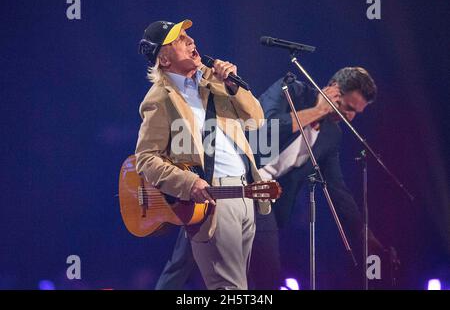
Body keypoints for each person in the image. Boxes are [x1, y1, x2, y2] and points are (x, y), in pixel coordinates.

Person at [134, 19, 270, 290]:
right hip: (213, 199)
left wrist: (232, 85)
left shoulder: (214, 81)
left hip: (244, 192)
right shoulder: (160, 98)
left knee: (238, 286)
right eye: (178, 39)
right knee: (229, 289)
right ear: (163, 59)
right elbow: (146, 158)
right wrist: (188, 183)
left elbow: (256, 120)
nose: (190, 41)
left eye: (188, 35)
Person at [249, 67, 384, 289]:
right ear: (333, 91)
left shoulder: (332, 134)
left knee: (266, 277)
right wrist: (318, 110)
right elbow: (265, 130)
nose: (350, 117)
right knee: (189, 264)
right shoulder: (290, 90)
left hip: (266, 202)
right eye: (348, 108)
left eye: (356, 113)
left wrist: (362, 232)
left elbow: (337, 187)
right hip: (232, 180)